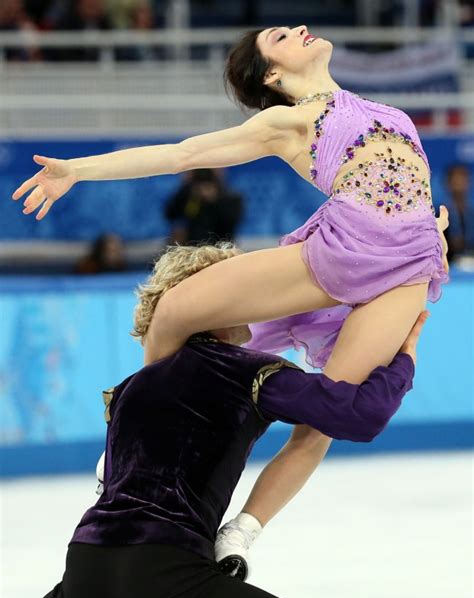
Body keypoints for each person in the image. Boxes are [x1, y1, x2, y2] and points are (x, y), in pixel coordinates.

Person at [12, 25, 449, 539]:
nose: (301, 29)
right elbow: (181, 154)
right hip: (339, 254)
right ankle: (133, 433)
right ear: (272, 73)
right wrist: (77, 171)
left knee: (323, 419)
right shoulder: (288, 121)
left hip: (406, 268)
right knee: (175, 311)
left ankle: (240, 533)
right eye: (282, 36)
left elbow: (411, 187)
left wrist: (431, 228)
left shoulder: (389, 112)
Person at [8, 242, 427, 598]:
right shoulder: (243, 371)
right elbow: (358, 415)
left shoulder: (128, 389)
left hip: (87, 572)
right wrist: (403, 362)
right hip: (167, 574)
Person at [164, 168, 243, 245]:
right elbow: (170, 214)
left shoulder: (230, 196)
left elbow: (231, 222)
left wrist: (214, 200)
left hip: (220, 247)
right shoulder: (188, 193)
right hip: (191, 246)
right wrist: (185, 185)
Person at [444, 164, 474, 259]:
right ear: (448, 183)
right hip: (449, 266)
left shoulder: (471, 214)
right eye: (455, 180)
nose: (459, 183)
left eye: (462, 179)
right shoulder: (440, 216)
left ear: (469, 182)